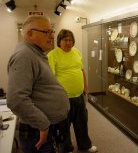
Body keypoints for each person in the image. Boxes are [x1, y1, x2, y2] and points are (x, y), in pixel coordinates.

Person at [7, 16, 70, 153]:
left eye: (51, 31)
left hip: (46, 127)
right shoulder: (24, 55)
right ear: (30, 34)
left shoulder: (35, 53)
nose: (52, 36)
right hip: (37, 131)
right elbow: (16, 100)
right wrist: (43, 125)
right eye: (46, 32)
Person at [47, 29, 97, 153]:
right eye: (65, 40)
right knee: (64, 125)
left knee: (82, 122)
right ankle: (66, 148)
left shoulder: (77, 52)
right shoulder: (52, 55)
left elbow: (82, 71)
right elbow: (50, 79)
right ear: (59, 41)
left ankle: (85, 145)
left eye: (70, 40)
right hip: (63, 98)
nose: (68, 42)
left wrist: (86, 87)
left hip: (79, 95)